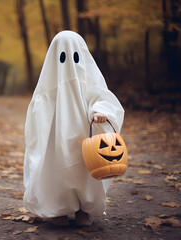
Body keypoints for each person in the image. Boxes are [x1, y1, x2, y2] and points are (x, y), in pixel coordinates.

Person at [23, 31, 124, 226]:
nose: (69, 64)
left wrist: (99, 111)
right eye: (62, 57)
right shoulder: (48, 83)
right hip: (55, 137)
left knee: (83, 170)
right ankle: (58, 209)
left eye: (75, 57)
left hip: (83, 133)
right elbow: (38, 108)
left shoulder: (89, 77)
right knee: (56, 169)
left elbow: (101, 96)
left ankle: (83, 210)